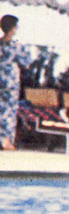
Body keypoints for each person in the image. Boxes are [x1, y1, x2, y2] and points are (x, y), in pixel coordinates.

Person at [0, 14, 31, 151]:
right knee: (10, 112)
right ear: (12, 28)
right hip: (10, 83)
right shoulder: (15, 46)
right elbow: (26, 63)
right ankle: (7, 141)